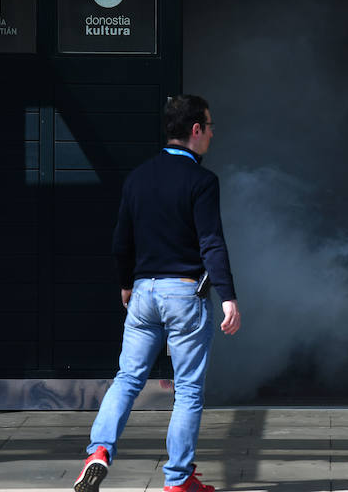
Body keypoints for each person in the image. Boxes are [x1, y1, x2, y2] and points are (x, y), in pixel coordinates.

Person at [73, 95, 241, 492]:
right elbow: (211, 242)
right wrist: (229, 296)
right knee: (187, 391)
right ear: (195, 130)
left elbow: (121, 242)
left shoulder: (137, 178)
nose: (213, 133)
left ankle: (98, 451)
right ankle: (178, 480)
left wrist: (127, 283)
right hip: (184, 295)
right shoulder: (202, 181)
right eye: (211, 126)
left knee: (127, 378)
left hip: (144, 293)